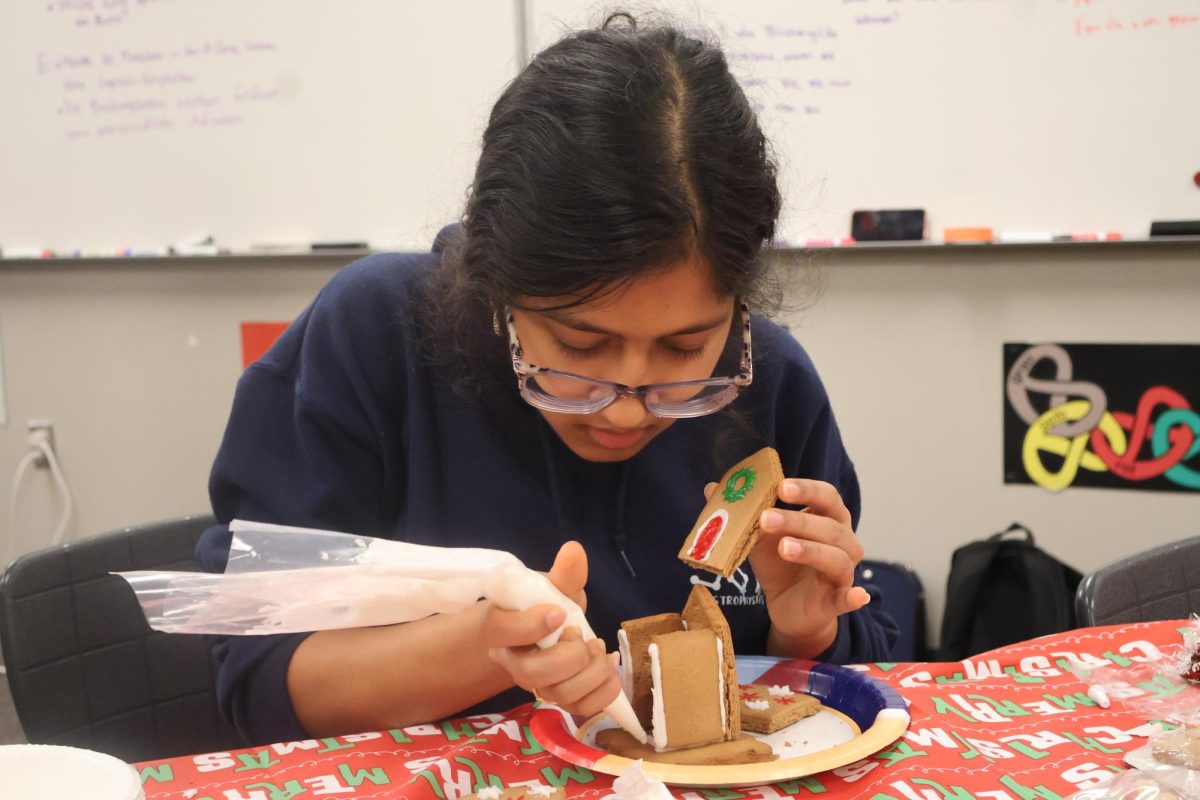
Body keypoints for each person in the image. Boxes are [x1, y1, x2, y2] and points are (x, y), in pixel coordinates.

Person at [196, 13, 898, 746]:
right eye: (577, 345)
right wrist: (488, 647)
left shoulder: (771, 385)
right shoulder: (371, 341)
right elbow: (257, 684)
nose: (627, 410)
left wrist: (808, 635)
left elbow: (866, 684)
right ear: (498, 286)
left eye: (685, 348)